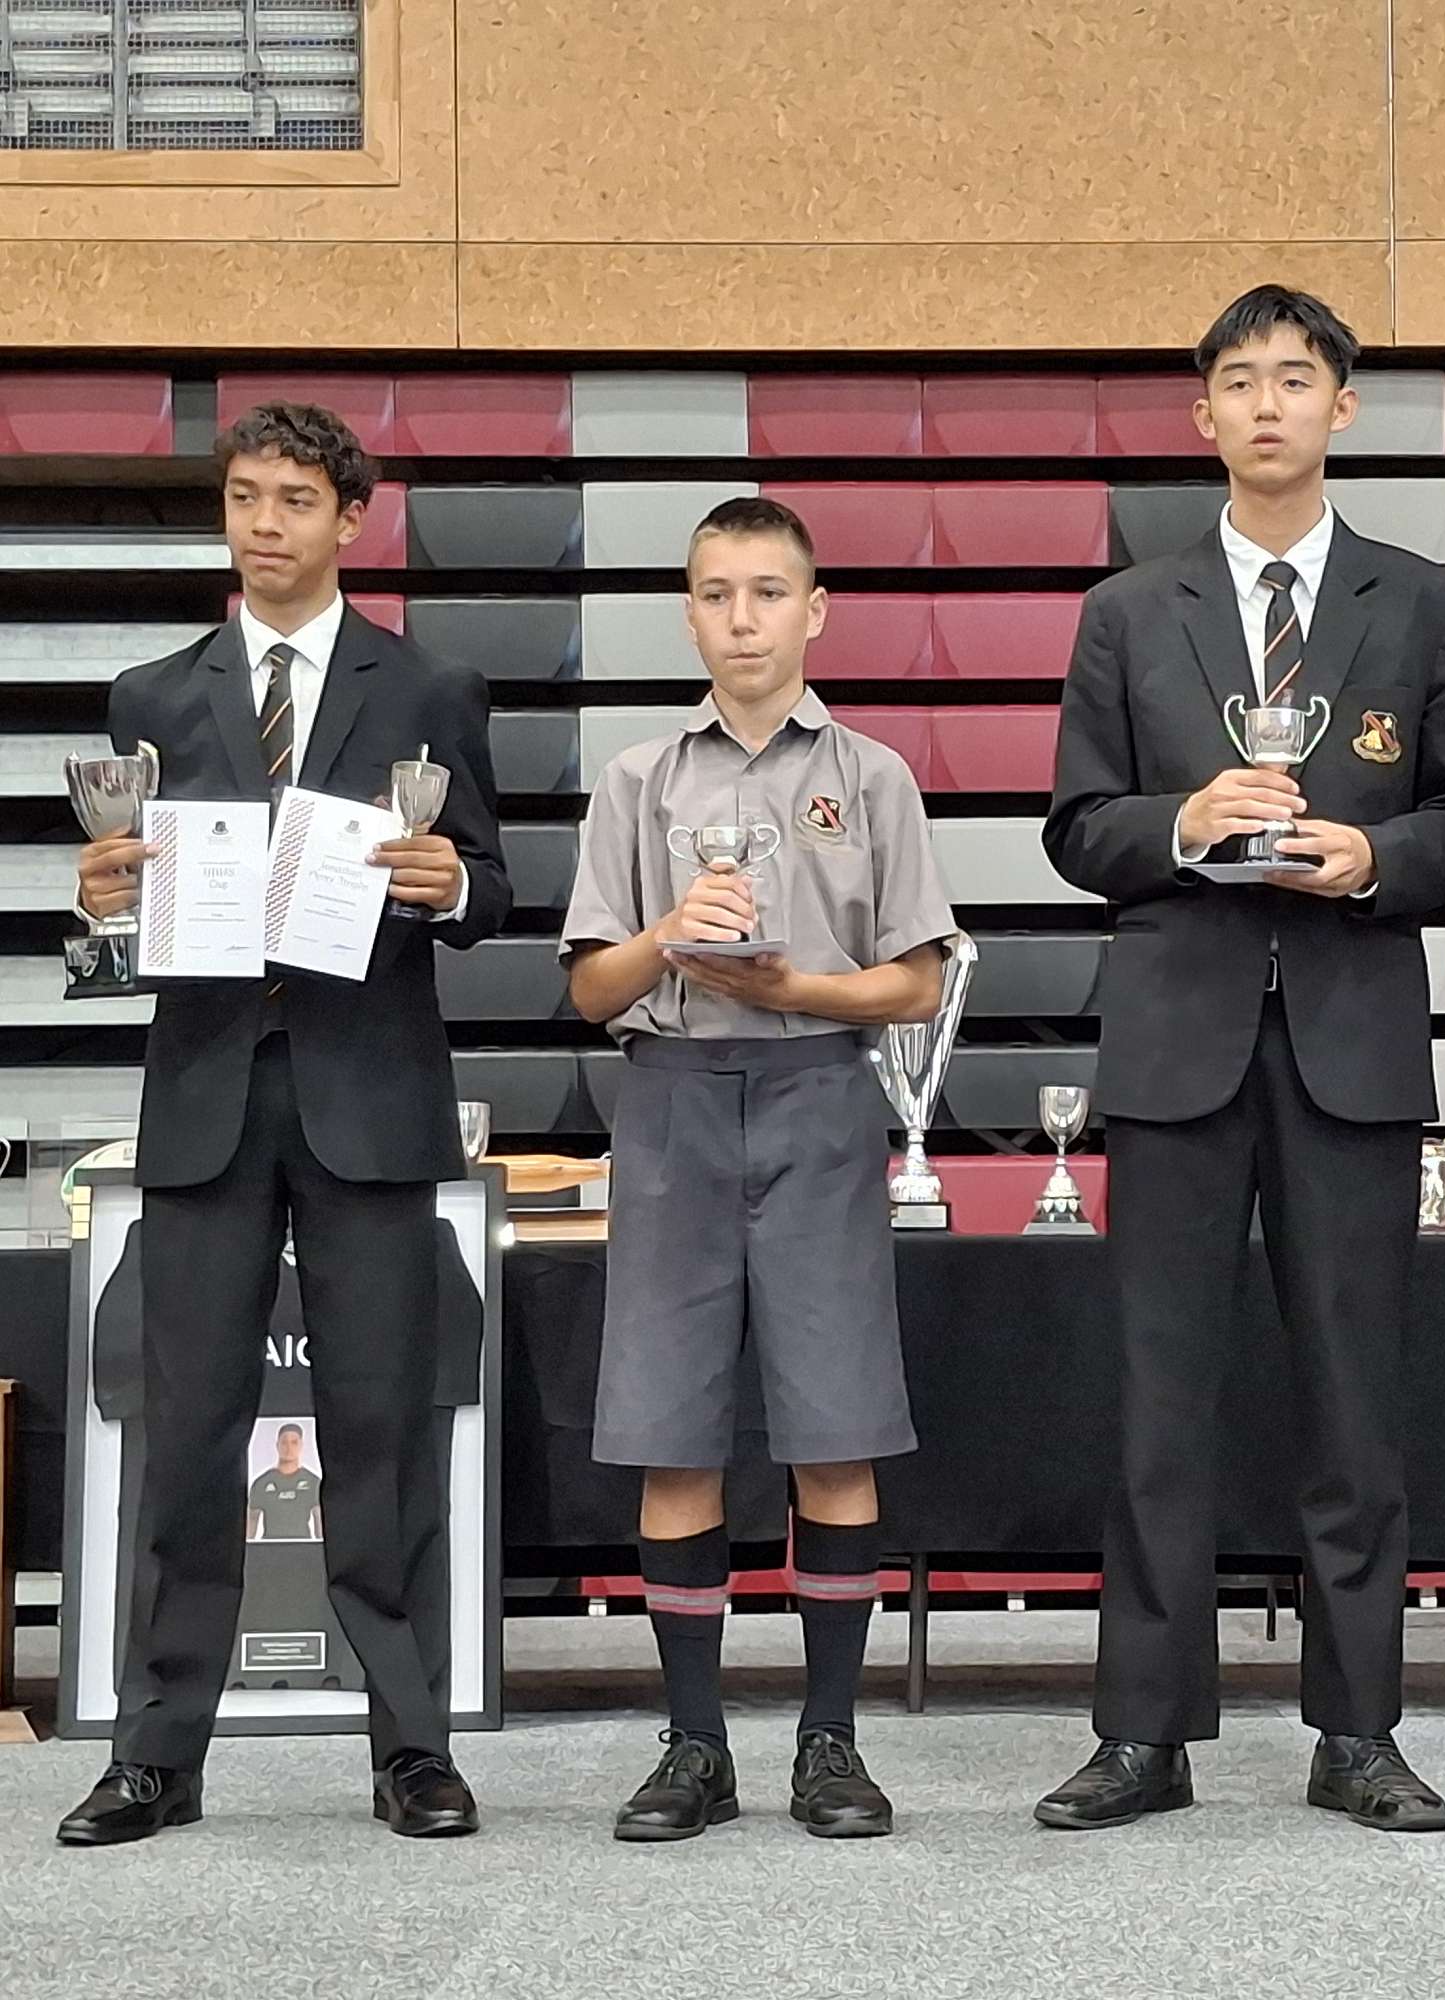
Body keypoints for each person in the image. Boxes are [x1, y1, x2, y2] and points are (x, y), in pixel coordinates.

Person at [1035, 285, 1445, 1831]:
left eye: (1294, 380)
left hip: (1351, 1042)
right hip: (1176, 1042)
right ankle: (1144, 1732)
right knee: (1158, 1403)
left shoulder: (1425, 603)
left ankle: (1358, 1730)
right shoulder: (1129, 608)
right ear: (1203, 416)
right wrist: (1183, 823)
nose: (1265, 405)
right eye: (1237, 382)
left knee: (1356, 1405)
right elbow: (1077, 826)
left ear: (1340, 408)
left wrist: (1368, 860)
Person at [56, 402, 510, 1847]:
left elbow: (492, 885)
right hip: (204, 1095)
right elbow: (124, 903)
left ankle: (414, 1747)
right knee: (188, 1432)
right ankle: (156, 1752)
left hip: (370, 1093)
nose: (265, 522)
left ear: (350, 518)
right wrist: (99, 905)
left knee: (384, 1430)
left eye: (296, 499)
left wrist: (452, 884)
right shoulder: (149, 694)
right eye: (245, 495)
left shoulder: (430, 687)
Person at [561, 495, 955, 1843]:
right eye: (717, 594)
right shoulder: (637, 781)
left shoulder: (873, 776)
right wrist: (670, 933)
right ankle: (694, 1743)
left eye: (768, 593)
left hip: (817, 1096)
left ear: (814, 611)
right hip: (671, 1101)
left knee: (835, 1429)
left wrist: (799, 989)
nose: (743, 619)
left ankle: (829, 1740)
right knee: (670, 1432)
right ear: (689, 614)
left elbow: (916, 982)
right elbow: (591, 989)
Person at [247, 1423, 322, 1542]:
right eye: (284, 1442)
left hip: (303, 1548)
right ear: (277, 1445)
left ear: (301, 1445)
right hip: (270, 1548)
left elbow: (320, 1527)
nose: (289, 1447)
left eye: (294, 1442)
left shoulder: (313, 1483)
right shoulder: (261, 1483)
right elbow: (250, 1528)